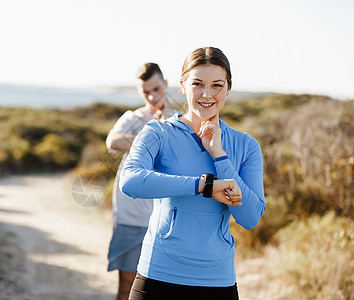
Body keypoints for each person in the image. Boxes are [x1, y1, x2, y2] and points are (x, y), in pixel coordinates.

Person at [120, 47, 265, 299]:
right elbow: (131, 180)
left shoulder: (246, 145)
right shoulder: (158, 133)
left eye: (217, 85)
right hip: (157, 275)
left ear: (228, 88)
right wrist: (204, 185)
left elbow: (250, 218)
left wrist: (219, 155)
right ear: (183, 85)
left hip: (217, 282)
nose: (207, 94)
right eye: (197, 84)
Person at [106, 63, 177, 300]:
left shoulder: (179, 120)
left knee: (161, 289)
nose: (152, 96)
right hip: (131, 216)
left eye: (156, 89)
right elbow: (113, 142)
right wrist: (150, 138)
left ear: (166, 85)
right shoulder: (134, 118)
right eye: (145, 91)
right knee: (126, 286)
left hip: (167, 219)